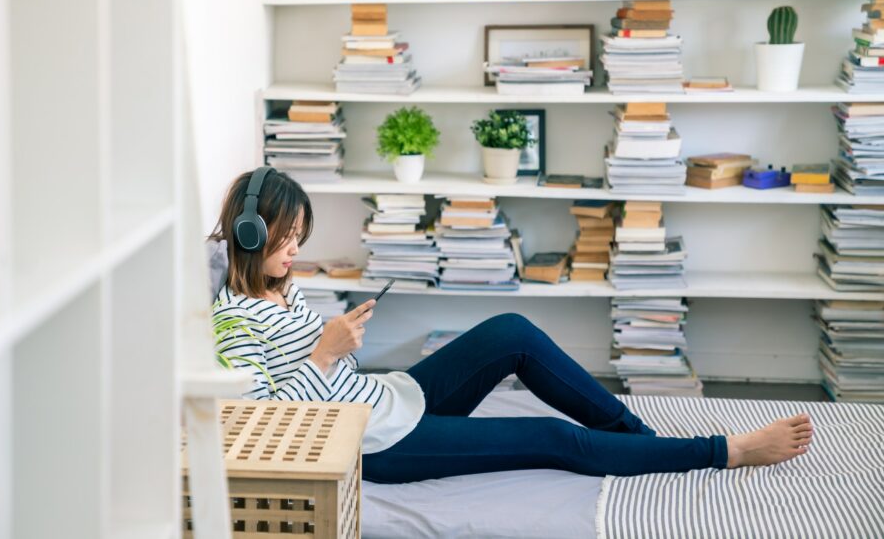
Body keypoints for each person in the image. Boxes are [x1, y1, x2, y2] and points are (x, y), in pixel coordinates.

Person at [210, 167, 814, 484]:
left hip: (390, 398)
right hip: (377, 445)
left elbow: (322, 374)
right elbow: (259, 423)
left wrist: (336, 347)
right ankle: (725, 452)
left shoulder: (284, 289)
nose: (294, 248)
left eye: (298, 237)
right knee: (551, 440)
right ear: (250, 233)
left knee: (512, 330)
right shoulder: (234, 318)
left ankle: (641, 440)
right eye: (285, 237)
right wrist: (324, 353)